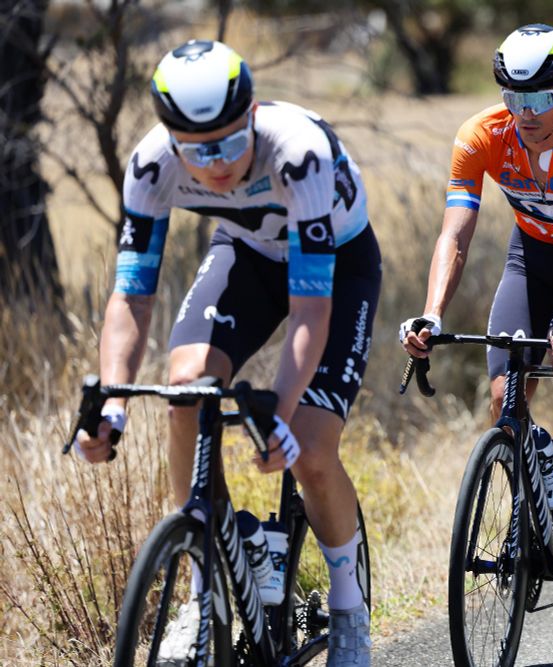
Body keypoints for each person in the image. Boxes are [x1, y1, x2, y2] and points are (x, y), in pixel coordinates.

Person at [73, 40, 379, 667]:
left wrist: (279, 413)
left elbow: (312, 310)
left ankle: (350, 608)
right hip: (246, 255)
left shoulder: (299, 154)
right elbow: (131, 298)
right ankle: (200, 587)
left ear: (253, 115)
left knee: (311, 449)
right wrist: (112, 403)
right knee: (185, 387)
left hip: (336, 269)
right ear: (169, 136)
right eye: (196, 148)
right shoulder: (152, 165)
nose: (213, 165)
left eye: (229, 144)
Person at [399, 24, 553, 566]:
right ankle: (537, 483)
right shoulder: (481, 135)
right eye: (513, 97)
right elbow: (454, 234)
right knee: (504, 392)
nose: (524, 112)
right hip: (530, 254)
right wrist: (432, 313)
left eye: (538, 98)